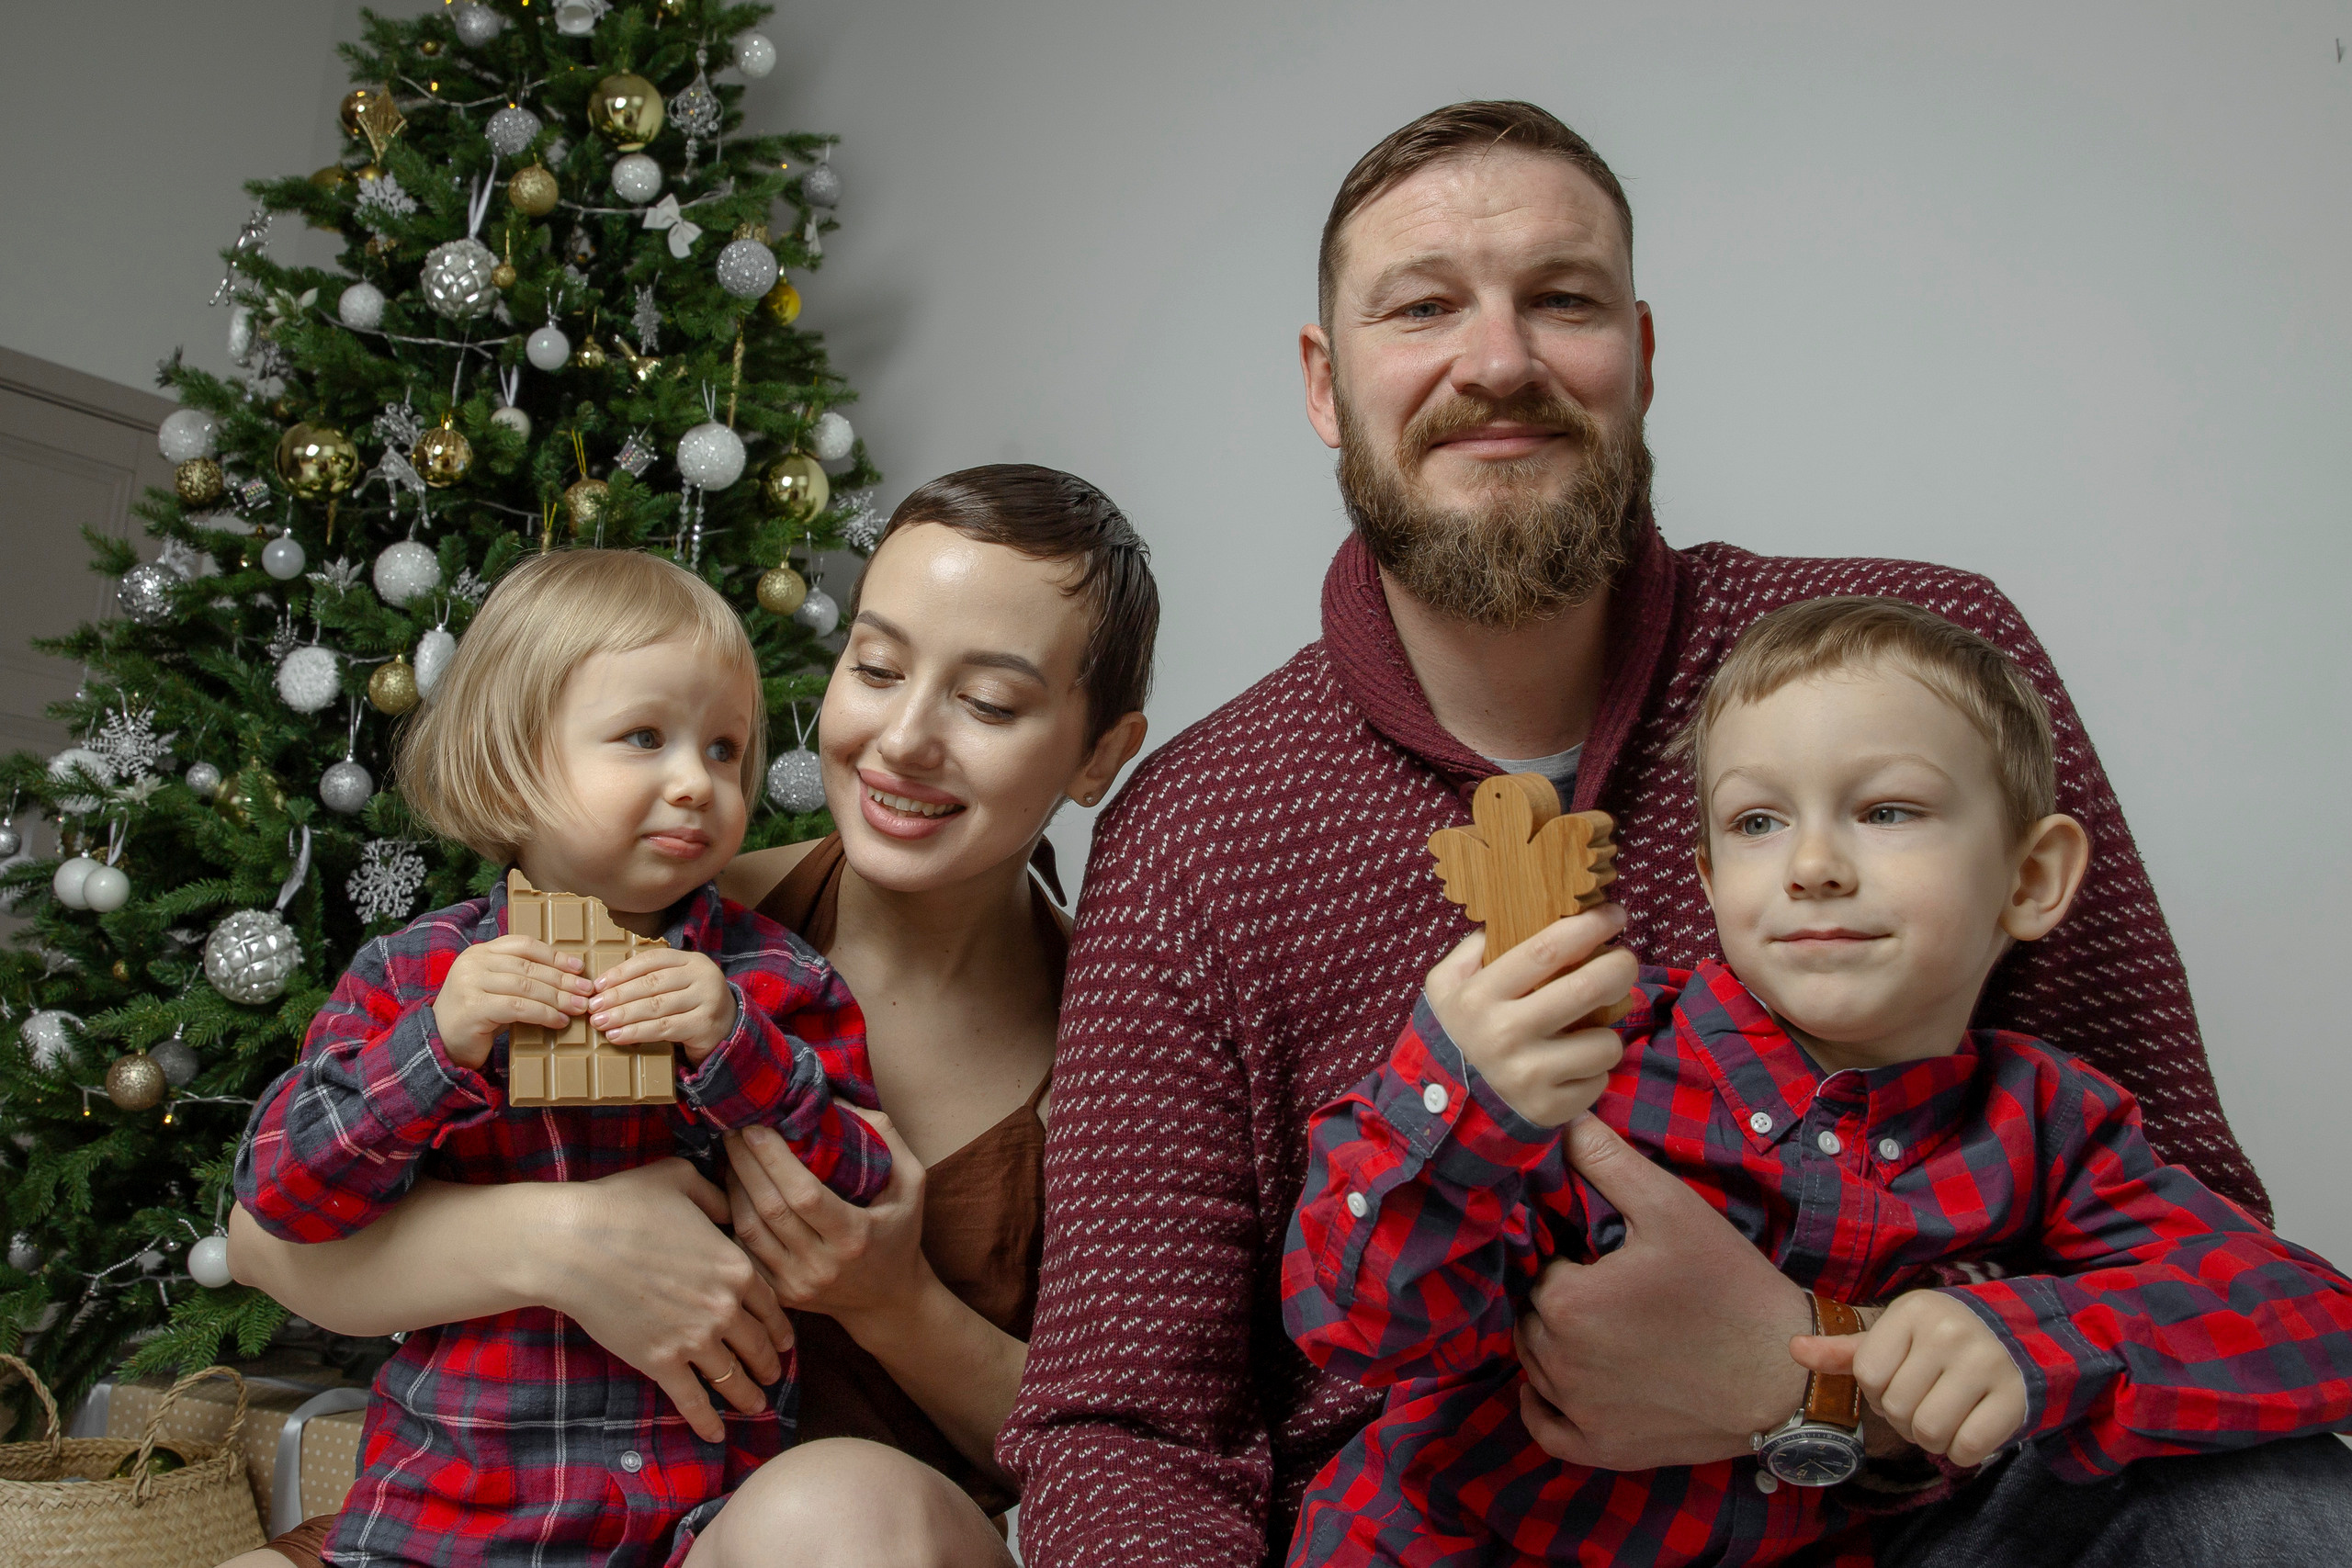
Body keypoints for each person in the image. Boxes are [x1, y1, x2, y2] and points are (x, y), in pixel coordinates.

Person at [998, 101, 2317, 1567]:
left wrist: (1820, 1370)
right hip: (1478, 1526)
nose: (1498, 361)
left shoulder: (1923, 672)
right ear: (1326, 381)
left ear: (1640, 353)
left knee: (2290, 1507)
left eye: (1560, 301)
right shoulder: (1196, 832)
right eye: (1424, 305)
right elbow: (1127, 1427)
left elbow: (2201, 1235)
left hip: (1946, 1511)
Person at [1282, 596, 2352, 1565]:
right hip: (1493, 1546)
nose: (1812, 865)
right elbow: (1363, 1323)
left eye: (1886, 811)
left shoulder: (2046, 1120)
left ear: (2030, 879)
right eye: (1757, 823)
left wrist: (2034, 1338)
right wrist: (1465, 1102)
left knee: (2304, 1490)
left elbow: (2307, 1317)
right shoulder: (1598, 1066)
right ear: (1707, 881)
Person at [222, 467, 1156, 1568]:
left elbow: (1127, 1460)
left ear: (1100, 753)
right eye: (876, 666)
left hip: (777, 1537)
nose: (904, 740)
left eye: (989, 702)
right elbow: (265, 1236)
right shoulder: (662, 912)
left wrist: (891, 1298)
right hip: (472, 1525)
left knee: (840, 1512)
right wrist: (566, 1243)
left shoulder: (1123, 1047)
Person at [232, 549, 894, 1566]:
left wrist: (737, 1051)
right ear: (513, 762)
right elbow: (282, 1193)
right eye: (644, 738)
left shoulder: (773, 981)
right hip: (452, 1516)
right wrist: (437, 1049)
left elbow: (859, 1184)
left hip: (700, 1515)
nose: (695, 783)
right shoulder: (418, 975)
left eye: (724, 750)